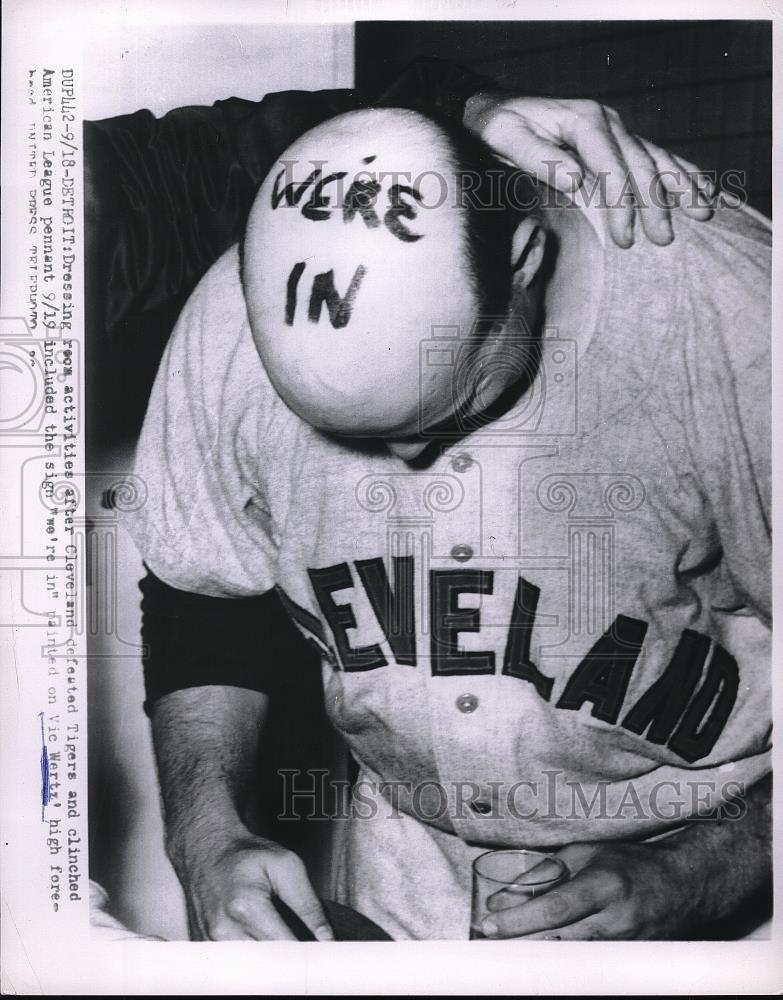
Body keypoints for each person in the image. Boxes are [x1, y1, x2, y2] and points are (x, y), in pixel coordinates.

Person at [120, 97, 770, 941]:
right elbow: (207, 595)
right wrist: (204, 832)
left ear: (526, 258)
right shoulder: (226, 324)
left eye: (439, 414)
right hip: (411, 854)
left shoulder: (737, 321)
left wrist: (700, 871)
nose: (407, 467)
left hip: (718, 850)